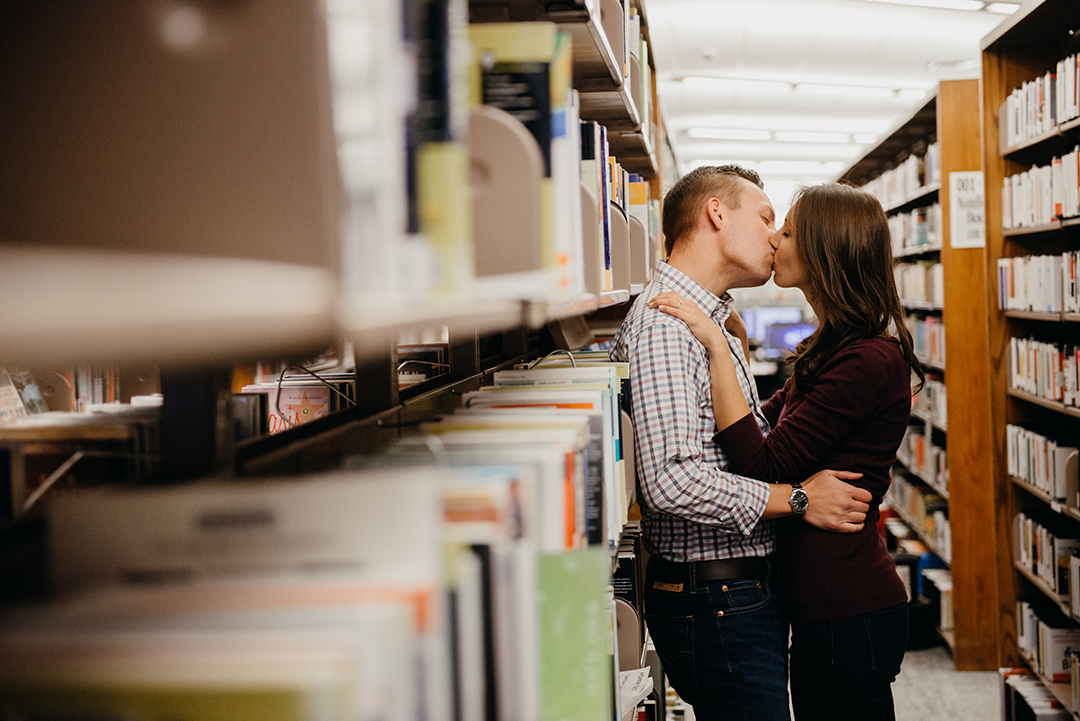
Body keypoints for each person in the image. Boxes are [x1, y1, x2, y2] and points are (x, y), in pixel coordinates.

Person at [649, 182, 922, 720]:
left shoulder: (869, 360)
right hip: (823, 605)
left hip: (848, 605)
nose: (775, 238)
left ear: (823, 250)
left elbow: (764, 463)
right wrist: (736, 348)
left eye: (789, 230)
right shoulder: (835, 347)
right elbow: (763, 423)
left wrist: (715, 347)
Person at [609, 166, 873, 721]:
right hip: (716, 602)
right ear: (716, 213)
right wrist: (798, 499)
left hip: (732, 596)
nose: (776, 236)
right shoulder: (667, 326)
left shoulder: (708, 321)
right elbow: (669, 482)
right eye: (766, 217)